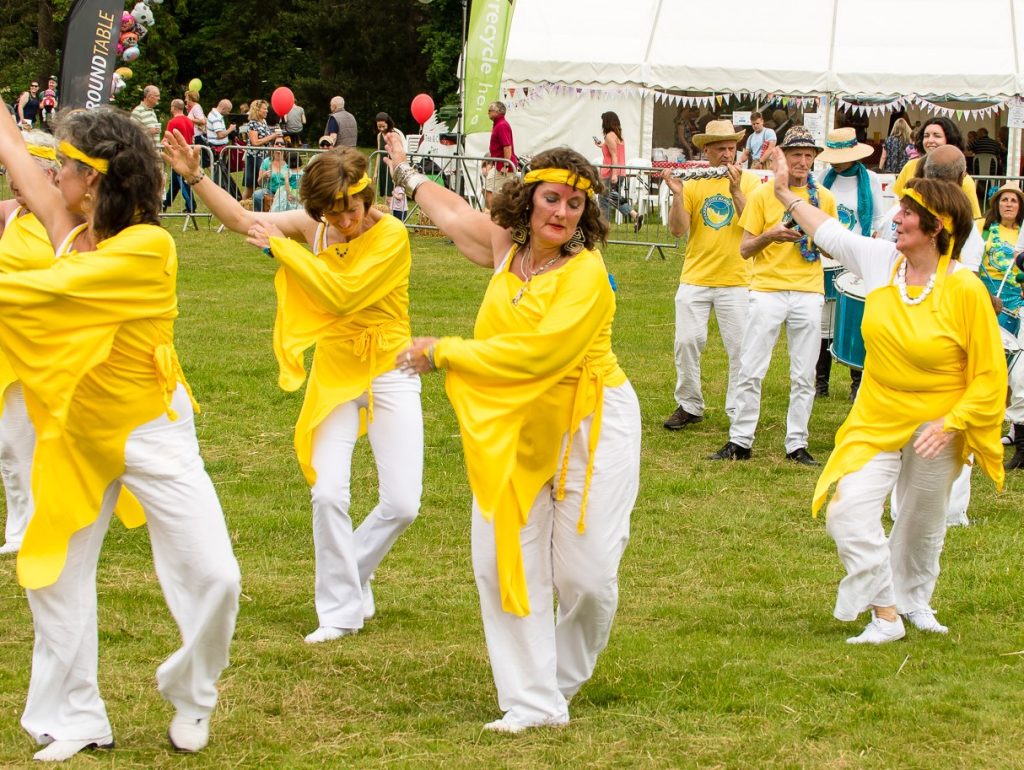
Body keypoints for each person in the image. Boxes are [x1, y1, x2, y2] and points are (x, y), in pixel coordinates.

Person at [0, 105, 240, 760]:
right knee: (51, 575)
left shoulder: (147, 249)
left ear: (98, 180)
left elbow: (43, 296)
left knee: (217, 577)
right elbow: (16, 156)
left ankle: (193, 690)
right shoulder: (65, 226)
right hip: (77, 433)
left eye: (66, 167)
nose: (52, 175)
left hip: (150, 430)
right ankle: (79, 717)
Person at [386, 138, 641, 734]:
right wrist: (406, 171)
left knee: (589, 577)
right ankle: (531, 701)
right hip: (515, 425)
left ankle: (560, 679)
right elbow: (449, 213)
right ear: (528, 200)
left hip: (590, 421)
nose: (562, 213)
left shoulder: (586, 274)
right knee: (502, 559)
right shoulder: (506, 250)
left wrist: (445, 352)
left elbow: (539, 353)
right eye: (551, 198)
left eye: (576, 205)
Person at [163, 130, 422, 645]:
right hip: (335, 369)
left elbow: (345, 296)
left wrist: (285, 249)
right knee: (328, 493)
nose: (346, 221)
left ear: (368, 196)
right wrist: (195, 176)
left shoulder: (391, 234)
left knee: (402, 503)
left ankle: (352, 574)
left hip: (392, 365)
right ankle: (338, 611)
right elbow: (242, 219)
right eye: (334, 212)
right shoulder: (314, 225)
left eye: (352, 209)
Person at [771, 146, 1006, 644]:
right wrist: (785, 194)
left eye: (906, 214)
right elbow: (827, 231)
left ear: (935, 227)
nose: (895, 218)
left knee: (923, 522)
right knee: (846, 513)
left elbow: (989, 374)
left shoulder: (965, 288)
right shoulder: (882, 261)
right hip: (876, 417)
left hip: (938, 426)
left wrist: (952, 422)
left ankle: (913, 602)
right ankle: (885, 610)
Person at [710, 126, 838, 464]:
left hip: (808, 291)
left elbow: (833, 246)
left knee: (804, 373)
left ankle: (797, 444)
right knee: (751, 368)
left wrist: (816, 237)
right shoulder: (764, 196)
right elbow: (745, 249)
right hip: (767, 289)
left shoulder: (823, 198)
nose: (802, 161)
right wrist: (771, 235)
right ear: (782, 158)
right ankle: (740, 440)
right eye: (796, 154)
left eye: (808, 155)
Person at [661, 120, 759, 430]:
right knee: (687, 341)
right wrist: (677, 195)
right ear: (707, 151)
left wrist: (736, 190)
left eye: (732, 148)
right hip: (696, 276)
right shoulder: (692, 182)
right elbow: (677, 229)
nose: (728, 154)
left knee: (740, 349)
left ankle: (736, 409)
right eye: (721, 149)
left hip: (738, 278)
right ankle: (689, 404)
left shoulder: (751, 181)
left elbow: (754, 225)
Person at [0, 131, 67, 556]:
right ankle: (20, 529)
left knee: (58, 438)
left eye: (20, 176)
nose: (12, 183)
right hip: (11, 347)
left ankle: (60, 515)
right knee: (12, 441)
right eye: (9, 175)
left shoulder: (66, 222)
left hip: (55, 345)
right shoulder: (8, 216)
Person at [815, 127, 885, 401]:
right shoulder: (823, 178)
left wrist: (875, 240)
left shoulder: (870, 179)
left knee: (857, 319)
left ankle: (857, 380)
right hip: (827, 254)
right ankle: (821, 381)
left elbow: (878, 219)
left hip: (857, 256)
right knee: (825, 321)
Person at [978, 183, 1024, 470]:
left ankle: (1014, 429)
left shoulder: (1020, 233)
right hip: (987, 298)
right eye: (1004, 200)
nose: (1008, 204)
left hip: (1014, 304)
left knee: (1012, 369)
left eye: (1014, 201)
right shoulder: (984, 230)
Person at [893, 117, 981, 218]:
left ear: (949, 140)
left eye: (937, 136)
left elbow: (973, 218)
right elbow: (897, 202)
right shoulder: (910, 166)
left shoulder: (963, 178)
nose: (930, 140)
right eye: (926, 136)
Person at [595, 111, 643, 232]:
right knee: (612, 197)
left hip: (611, 172)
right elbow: (613, 150)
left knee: (603, 198)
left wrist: (614, 174)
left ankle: (604, 226)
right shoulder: (617, 135)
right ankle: (634, 215)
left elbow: (614, 156)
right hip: (620, 171)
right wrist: (601, 145)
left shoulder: (609, 136)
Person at [242, 99, 282, 201]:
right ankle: (241, 206)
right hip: (254, 158)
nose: (267, 111)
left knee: (265, 185)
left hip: (264, 157)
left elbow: (265, 137)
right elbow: (255, 142)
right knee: (250, 187)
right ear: (257, 110)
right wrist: (272, 136)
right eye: (264, 109)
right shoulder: (252, 123)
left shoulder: (263, 122)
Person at [163, 99, 196, 213]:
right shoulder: (189, 121)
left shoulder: (173, 122)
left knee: (181, 180)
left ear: (173, 107)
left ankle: (191, 205)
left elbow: (166, 139)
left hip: (178, 154)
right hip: (188, 152)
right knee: (175, 182)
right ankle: (165, 203)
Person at [484, 101, 518, 209]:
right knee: (500, 193)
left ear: (498, 112)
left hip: (503, 166)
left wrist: (506, 165)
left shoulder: (502, 125)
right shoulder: (499, 124)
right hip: (500, 165)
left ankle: (492, 216)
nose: (488, 112)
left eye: (490, 110)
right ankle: (496, 216)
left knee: (489, 190)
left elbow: (507, 146)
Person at [253, 138, 299, 212]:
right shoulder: (266, 161)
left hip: (285, 191)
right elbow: (259, 182)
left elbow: (297, 177)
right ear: (273, 146)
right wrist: (264, 176)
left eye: (282, 144)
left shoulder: (290, 161)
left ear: (285, 146)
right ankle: (260, 216)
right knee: (257, 195)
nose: (279, 145)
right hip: (270, 191)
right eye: (277, 143)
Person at [373, 112, 405, 210]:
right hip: (383, 167)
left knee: (390, 197)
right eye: (379, 127)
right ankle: (389, 214)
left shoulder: (394, 134)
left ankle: (392, 216)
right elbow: (378, 153)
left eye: (383, 126)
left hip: (392, 166)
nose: (381, 129)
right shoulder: (379, 136)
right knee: (386, 197)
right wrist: (375, 172)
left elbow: (400, 151)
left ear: (388, 123)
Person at [130, 85, 162, 152]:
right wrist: (149, 131)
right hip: (145, 155)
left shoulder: (152, 111)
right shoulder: (138, 111)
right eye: (157, 96)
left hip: (155, 155)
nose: (159, 98)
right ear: (149, 96)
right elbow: (132, 133)